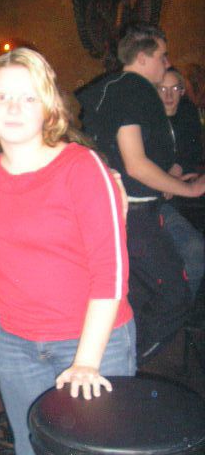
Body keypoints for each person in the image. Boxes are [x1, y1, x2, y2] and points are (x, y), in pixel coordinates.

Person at [0, 47, 136, 455]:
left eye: (28, 97)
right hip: (15, 343)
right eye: (2, 96)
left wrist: (86, 362)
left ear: (48, 106)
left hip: (92, 343)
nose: (13, 107)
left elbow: (112, 272)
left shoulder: (81, 167)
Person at [79, 24, 205, 365]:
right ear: (143, 57)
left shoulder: (112, 87)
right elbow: (135, 164)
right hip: (134, 214)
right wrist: (189, 188)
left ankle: (116, 361)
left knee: (134, 296)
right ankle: (123, 362)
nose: (167, 63)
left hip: (118, 211)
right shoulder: (134, 90)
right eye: (162, 56)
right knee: (174, 296)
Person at [157, 67, 204, 302]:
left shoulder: (187, 112)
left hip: (186, 195)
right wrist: (168, 180)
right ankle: (183, 309)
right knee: (193, 249)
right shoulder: (147, 122)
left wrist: (177, 169)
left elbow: (192, 150)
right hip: (160, 204)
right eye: (162, 89)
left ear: (182, 91)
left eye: (174, 88)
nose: (168, 95)